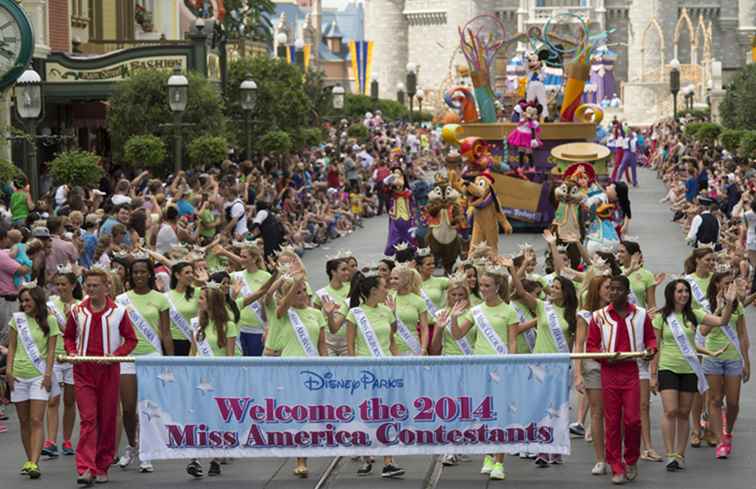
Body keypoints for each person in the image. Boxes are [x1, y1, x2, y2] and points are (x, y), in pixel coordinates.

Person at [323, 269, 405, 478]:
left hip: (386, 369)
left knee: (387, 413)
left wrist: (400, 364)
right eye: (384, 286)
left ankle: (388, 461)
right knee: (368, 414)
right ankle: (368, 456)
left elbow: (392, 342)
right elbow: (350, 345)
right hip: (366, 372)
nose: (387, 289)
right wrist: (355, 371)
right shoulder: (355, 313)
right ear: (373, 291)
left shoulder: (386, 311)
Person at [650, 279, 735, 472]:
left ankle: (680, 454)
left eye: (686, 291)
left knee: (683, 413)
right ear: (671, 294)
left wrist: (728, 304)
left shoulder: (694, 315)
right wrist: (653, 374)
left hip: (689, 369)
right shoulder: (661, 317)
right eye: (679, 291)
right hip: (668, 367)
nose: (684, 295)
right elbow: (655, 347)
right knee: (670, 410)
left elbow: (722, 321)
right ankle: (670, 453)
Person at [64, 268, 136, 484]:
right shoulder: (77, 311)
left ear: (107, 287)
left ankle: (102, 465)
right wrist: (72, 352)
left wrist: (115, 356)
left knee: (107, 419)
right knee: (88, 419)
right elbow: (68, 337)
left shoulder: (119, 312)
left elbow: (131, 340)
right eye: (88, 285)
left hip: (109, 370)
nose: (91, 289)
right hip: (83, 370)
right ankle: (85, 468)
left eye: (96, 285)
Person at [586, 275, 658, 484]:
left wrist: (651, 349)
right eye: (611, 289)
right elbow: (591, 345)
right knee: (612, 421)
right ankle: (616, 465)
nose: (613, 293)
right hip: (609, 372)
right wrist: (603, 356)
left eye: (618, 289)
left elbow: (650, 337)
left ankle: (632, 458)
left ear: (627, 292)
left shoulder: (641, 314)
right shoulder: (598, 316)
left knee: (633, 420)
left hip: (632, 371)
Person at [451, 266, 519, 481]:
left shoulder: (509, 310)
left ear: (498, 287)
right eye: (481, 286)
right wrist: (453, 317)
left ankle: (499, 461)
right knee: (486, 413)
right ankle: (488, 455)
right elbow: (457, 335)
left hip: (500, 367)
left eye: (487, 286)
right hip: (480, 367)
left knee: (501, 414)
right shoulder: (476, 310)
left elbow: (512, 341)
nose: (483, 289)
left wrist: (511, 365)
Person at [264, 270, 327, 477]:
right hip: (290, 369)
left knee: (309, 415)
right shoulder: (282, 313)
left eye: (304, 291)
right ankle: (298, 456)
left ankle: (304, 457)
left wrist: (328, 368)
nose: (302, 295)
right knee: (294, 414)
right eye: (297, 292)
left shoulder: (316, 314)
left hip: (313, 370)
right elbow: (280, 304)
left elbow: (322, 345)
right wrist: (292, 281)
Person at [115, 258, 172, 473]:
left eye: (142, 272)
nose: (139, 275)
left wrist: (170, 360)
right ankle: (133, 445)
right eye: (135, 272)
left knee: (148, 407)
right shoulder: (121, 300)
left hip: (152, 356)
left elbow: (165, 332)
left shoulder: (160, 299)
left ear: (150, 274)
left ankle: (147, 452)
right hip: (127, 357)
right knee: (128, 408)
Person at [185, 281, 240, 478]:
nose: (198, 301)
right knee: (197, 418)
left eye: (201, 298)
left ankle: (215, 458)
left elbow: (230, 356)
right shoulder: (196, 324)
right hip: (199, 377)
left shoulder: (228, 326)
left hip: (218, 378)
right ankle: (195, 459)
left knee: (215, 419)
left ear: (211, 302)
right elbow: (193, 352)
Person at [5, 285, 61, 479]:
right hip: (18, 376)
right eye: (22, 300)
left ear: (37, 301)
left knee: (36, 420)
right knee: (23, 421)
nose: (24, 304)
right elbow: (11, 346)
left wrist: (48, 374)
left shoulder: (50, 321)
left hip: (39, 376)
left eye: (28, 300)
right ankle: (30, 460)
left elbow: (52, 351)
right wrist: (9, 372)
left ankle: (34, 462)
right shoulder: (17, 320)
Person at [700, 272, 751, 459]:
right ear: (716, 285)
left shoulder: (738, 307)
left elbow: (742, 335)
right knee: (715, 399)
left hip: (733, 357)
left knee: (733, 402)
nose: (730, 287)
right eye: (726, 283)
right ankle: (721, 440)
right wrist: (720, 309)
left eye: (732, 283)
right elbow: (704, 331)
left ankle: (727, 431)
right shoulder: (707, 306)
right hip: (713, 357)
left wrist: (747, 361)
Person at [43, 267, 83, 458]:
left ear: (73, 286)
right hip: (54, 356)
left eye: (64, 284)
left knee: (69, 401)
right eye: (57, 284)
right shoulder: (50, 304)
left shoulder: (82, 305)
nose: (60, 288)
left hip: (74, 358)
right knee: (53, 400)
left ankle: (67, 440)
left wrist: (69, 319)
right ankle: (50, 441)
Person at [573, 275, 610, 475]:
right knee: (597, 412)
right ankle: (600, 459)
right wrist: (578, 373)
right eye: (606, 287)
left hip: (614, 364)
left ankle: (614, 453)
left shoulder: (617, 312)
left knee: (615, 412)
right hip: (593, 365)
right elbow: (579, 344)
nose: (610, 291)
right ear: (597, 290)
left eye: (612, 287)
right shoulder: (585, 315)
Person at [231, 242, 272, 357]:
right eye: (240, 256)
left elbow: (270, 305)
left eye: (244, 257)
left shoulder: (266, 277)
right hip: (239, 328)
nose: (241, 259)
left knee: (255, 364)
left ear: (254, 259)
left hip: (257, 329)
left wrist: (268, 327)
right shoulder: (235, 276)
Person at [312, 257, 352, 356]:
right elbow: (314, 318)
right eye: (343, 270)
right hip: (328, 342)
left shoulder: (351, 289)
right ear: (333, 272)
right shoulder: (321, 293)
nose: (347, 272)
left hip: (347, 341)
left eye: (347, 269)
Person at [388, 263, 430, 356]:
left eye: (396, 278)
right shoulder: (388, 298)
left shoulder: (419, 301)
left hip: (412, 349)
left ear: (406, 279)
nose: (392, 281)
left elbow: (424, 328)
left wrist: (423, 349)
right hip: (391, 349)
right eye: (391, 278)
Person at [164, 261, 199, 356]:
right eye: (187, 273)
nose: (191, 275)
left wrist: (203, 281)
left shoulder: (198, 292)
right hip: (173, 342)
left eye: (192, 272)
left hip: (194, 341)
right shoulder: (166, 296)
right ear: (177, 275)